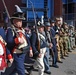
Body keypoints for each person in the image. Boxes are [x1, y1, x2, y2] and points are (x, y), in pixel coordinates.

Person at [3, 5, 33, 75]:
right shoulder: (11, 30)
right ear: (14, 21)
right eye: (19, 21)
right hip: (17, 53)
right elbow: (9, 42)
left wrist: (30, 49)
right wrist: (17, 40)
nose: (20, 22)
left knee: (14, 70)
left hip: (23, 53)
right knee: (21, 71)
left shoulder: (22, 30)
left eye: (21, 21)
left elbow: (27, 40)